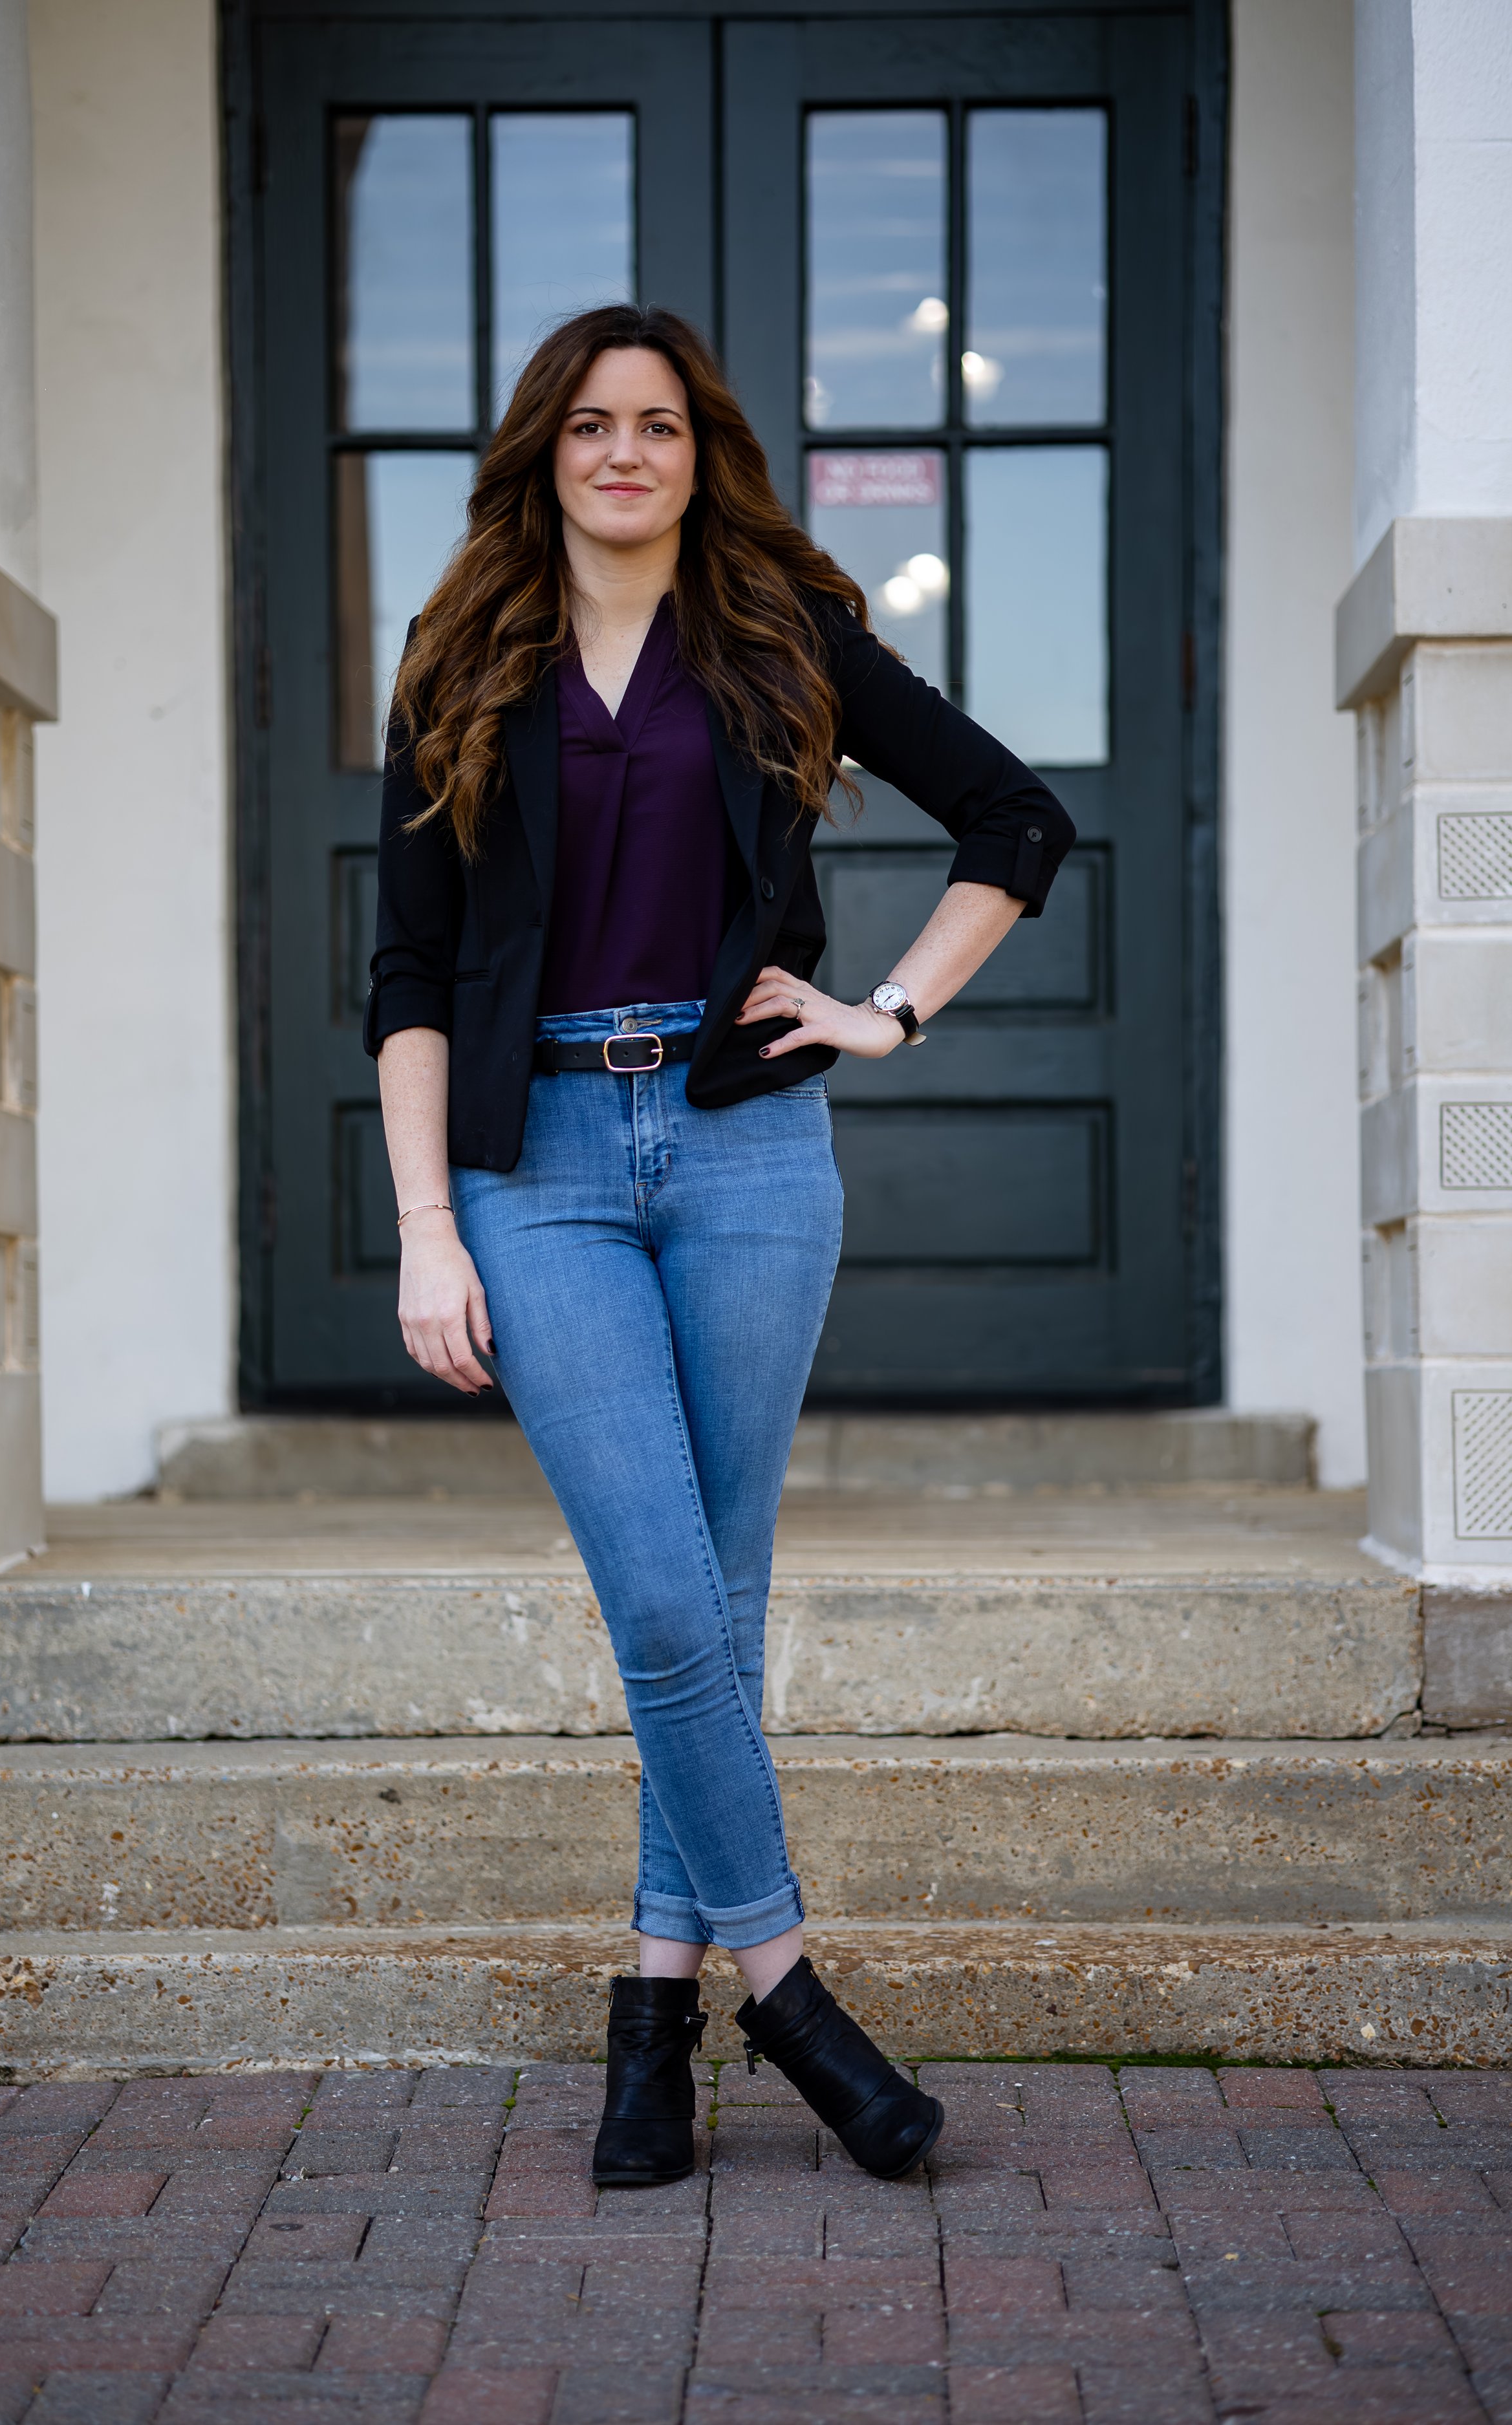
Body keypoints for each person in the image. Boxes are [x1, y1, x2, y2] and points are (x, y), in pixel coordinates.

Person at [366, 303, 1074, 2188]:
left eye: (657, 426)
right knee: (670, 1606)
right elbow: (409, 976)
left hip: (750, 1150)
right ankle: (791, 1995)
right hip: (540, 1170)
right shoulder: (457, 665)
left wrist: (889, 1015)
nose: (623, 454)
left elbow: (1016, 818)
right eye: (589, 425)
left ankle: (647, 2029)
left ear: (700, 453)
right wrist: (429, 1227)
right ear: (545, 453)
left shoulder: (779, 644)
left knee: (717, 1600)